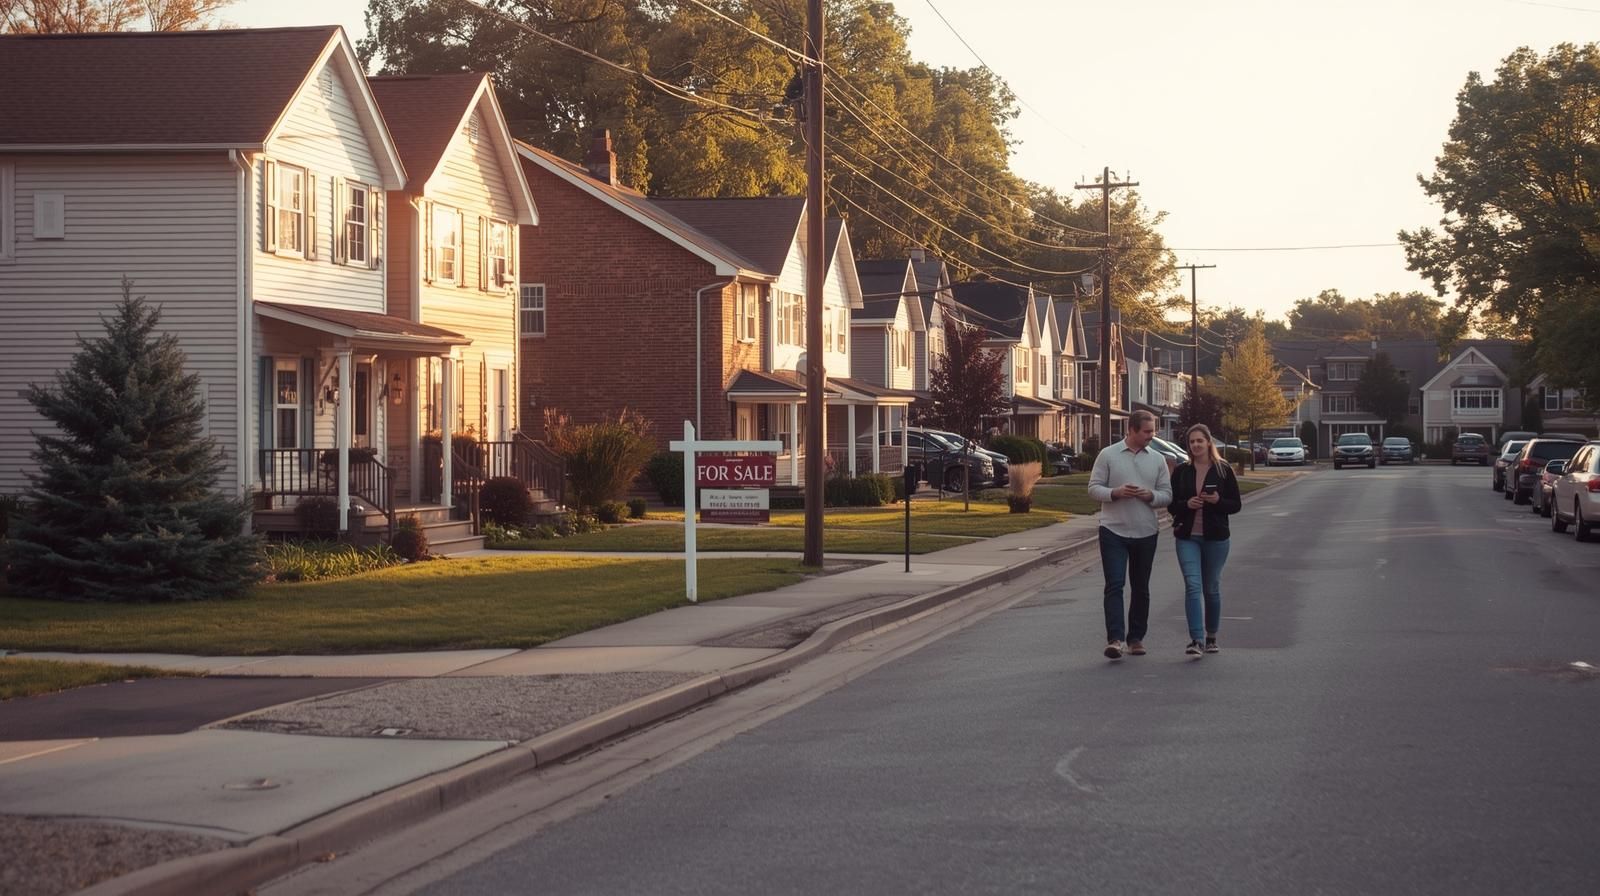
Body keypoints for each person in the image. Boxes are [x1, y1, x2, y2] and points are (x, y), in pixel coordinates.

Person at [1086, 410, 1172, 660]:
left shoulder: (1157, 459)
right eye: (1147, 431)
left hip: (1146, 531)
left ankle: (1136, 638)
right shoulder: (1108, 455)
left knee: (1141, 587)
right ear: (1132, 430)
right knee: (1115, 585)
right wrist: (1115, 492)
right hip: (1113, 530)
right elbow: (1093, 488)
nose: (1151, 435)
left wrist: (1151, 496)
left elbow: (1167, 494)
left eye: (1153, 431)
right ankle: (1115, 639)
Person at [1168, 423, 1242, 657]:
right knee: (1193, 585)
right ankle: (1196, 640)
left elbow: (1236, 505)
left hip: (1216, 538)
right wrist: (1186, 504)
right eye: (1192, 442)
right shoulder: (1182, 471)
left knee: (1211, 588)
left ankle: (1211, 636)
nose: (1196, 445)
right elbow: (1171, 504)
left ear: (1209, 442)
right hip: (1187, 537)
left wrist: (1218, 501)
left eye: (1200, 440)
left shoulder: (1223, 469)